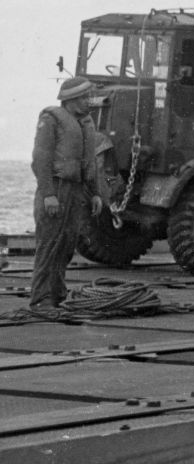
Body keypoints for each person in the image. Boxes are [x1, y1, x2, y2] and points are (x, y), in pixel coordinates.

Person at [31, 77, 113, 310]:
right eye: (85, 97)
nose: (90, 101)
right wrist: (48, 194)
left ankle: (56, 295)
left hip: (77, 191)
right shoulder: (51, 120)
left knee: (66, 244)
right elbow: (41, 159)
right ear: (71, 99)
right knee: (49, 244)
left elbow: (90, 164)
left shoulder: (86, 122)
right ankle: (41, 299)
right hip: (57, 188)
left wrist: (96, 193)